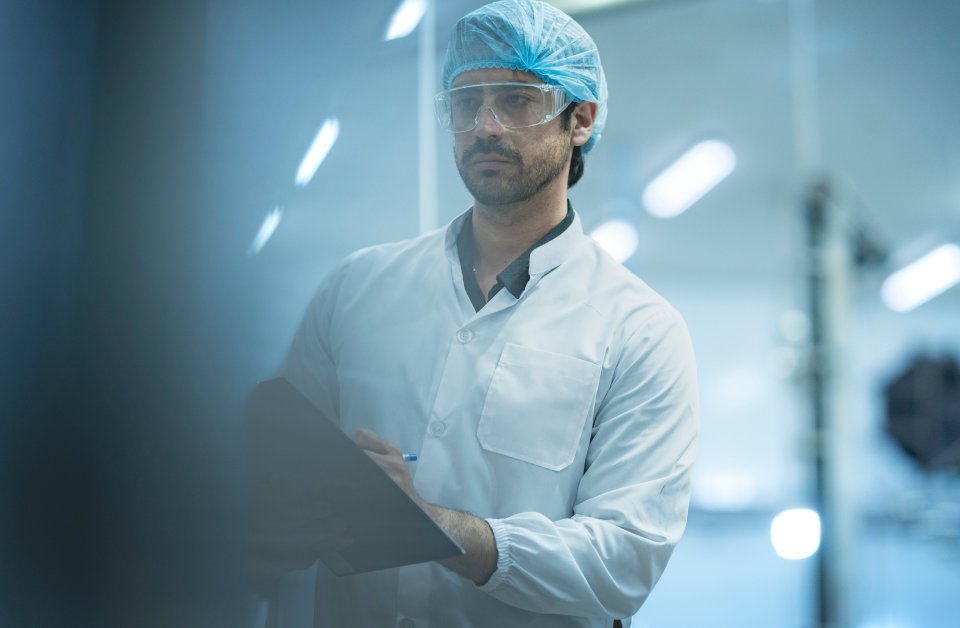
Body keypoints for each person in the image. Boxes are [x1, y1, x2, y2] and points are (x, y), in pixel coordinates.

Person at [248, 1, 698, 626]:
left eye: (517, 101)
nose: (485, 125)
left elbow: (622, 561)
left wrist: (430, 526)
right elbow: (264, 489)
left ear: (581, 120)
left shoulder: (640, 331)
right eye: (465, 103)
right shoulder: (355, 289)